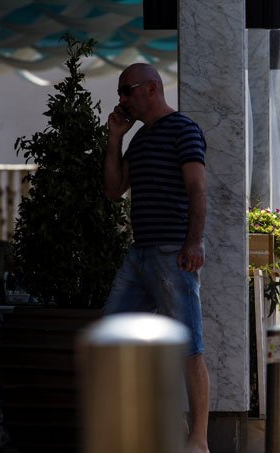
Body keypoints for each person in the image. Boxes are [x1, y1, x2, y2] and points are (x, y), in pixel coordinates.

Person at [103, 63, 210, 453]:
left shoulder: (183, 129)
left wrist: (194, 243)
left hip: (173, 252)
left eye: (126, 90)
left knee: (190, 345)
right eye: (120, 92)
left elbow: (197, 189)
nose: (121, 99)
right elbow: (114, 189)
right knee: (110, 338)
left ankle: (198, 439)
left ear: (151, 89)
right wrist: (115, 137)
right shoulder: (141, 138)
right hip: (140, 254)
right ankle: (163, 420)